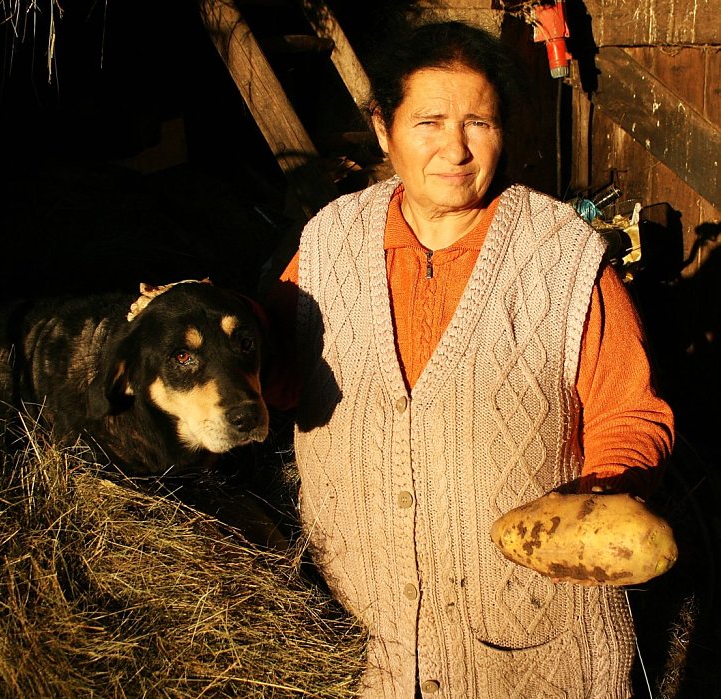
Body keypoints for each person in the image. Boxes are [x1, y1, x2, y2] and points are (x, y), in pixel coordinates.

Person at [260, 20, 675, 699]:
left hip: (535, 651)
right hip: (371, 650)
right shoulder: (329, 241)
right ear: (382, 125)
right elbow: (273, 376)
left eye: (478, 122)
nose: (455, 148)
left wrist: (601, 496)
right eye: (428, 121)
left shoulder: (563, 257)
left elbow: (631, 411)